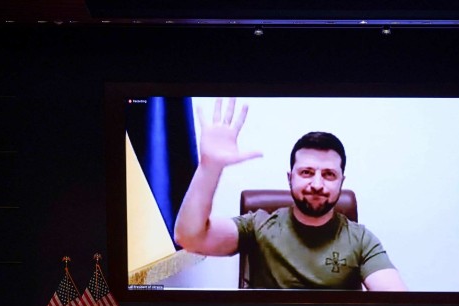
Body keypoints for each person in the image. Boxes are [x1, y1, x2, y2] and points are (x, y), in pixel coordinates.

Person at [174, 97, 406, 291]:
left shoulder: (361, 239)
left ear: (341, 182)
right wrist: (209, 167)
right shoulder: (257, 226)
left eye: (328, 174)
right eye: (306, 172)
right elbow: (189, 238)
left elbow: (397, 304)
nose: (317, 184)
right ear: (290, 178)